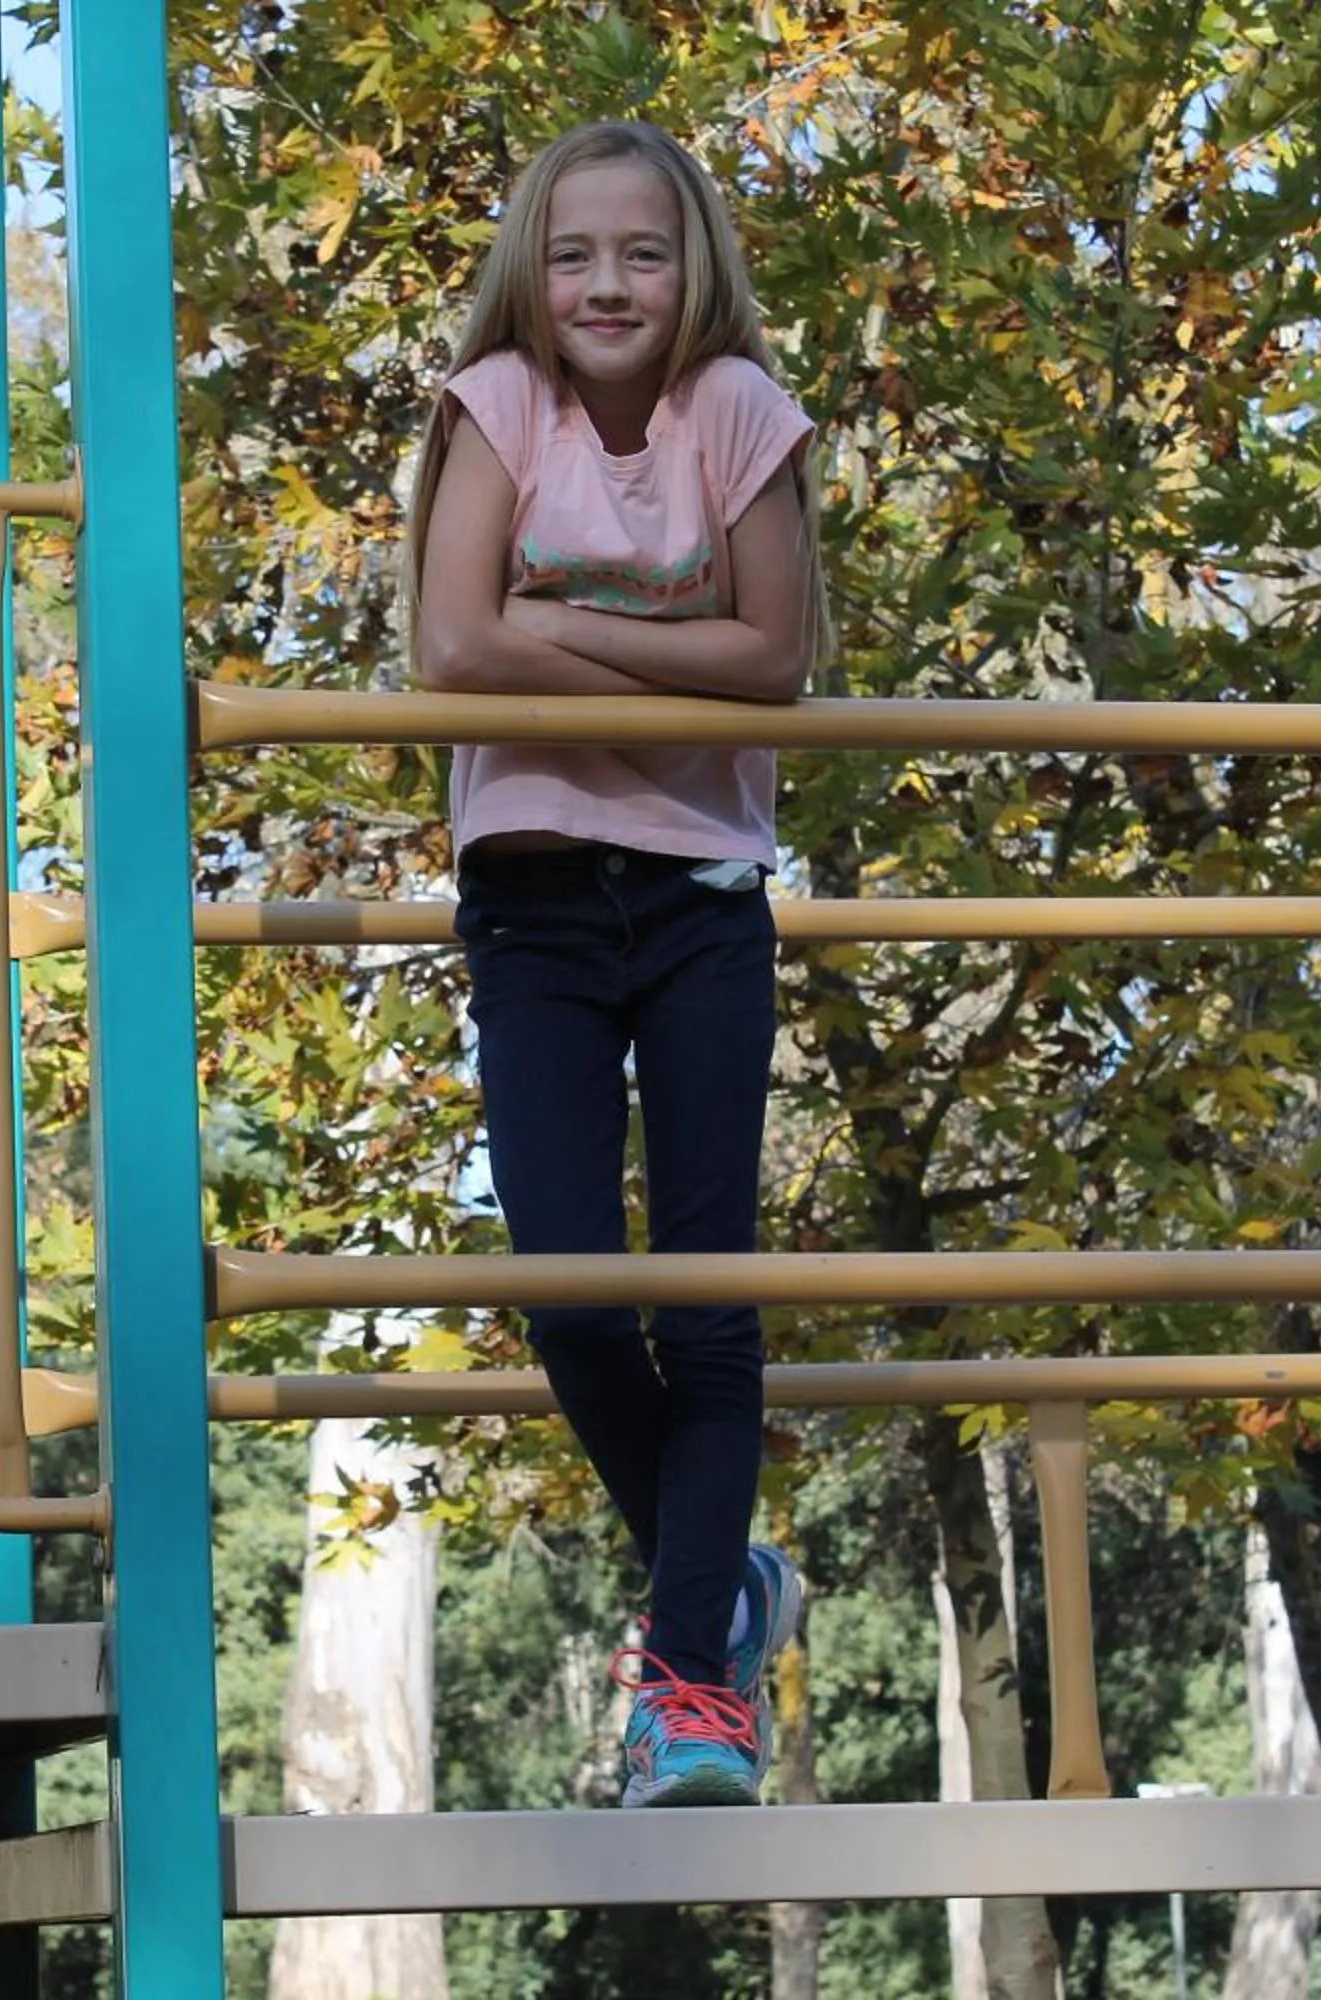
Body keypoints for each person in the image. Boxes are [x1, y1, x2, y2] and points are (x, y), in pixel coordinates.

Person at [406, 120, 819, 1808]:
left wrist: (556, 631)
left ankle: (690, 1696)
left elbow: (776, 657)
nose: (607, 284)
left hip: (704, 895)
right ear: (533, 265)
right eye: (575, 253)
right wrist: (665, 677)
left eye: (643, 253)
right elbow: (451, 641)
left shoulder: (740, 412)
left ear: (692, 265)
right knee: (569, 1287)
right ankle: (719, 1590)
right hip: (537, 902)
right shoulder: (499, 402)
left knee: (709, 1294)